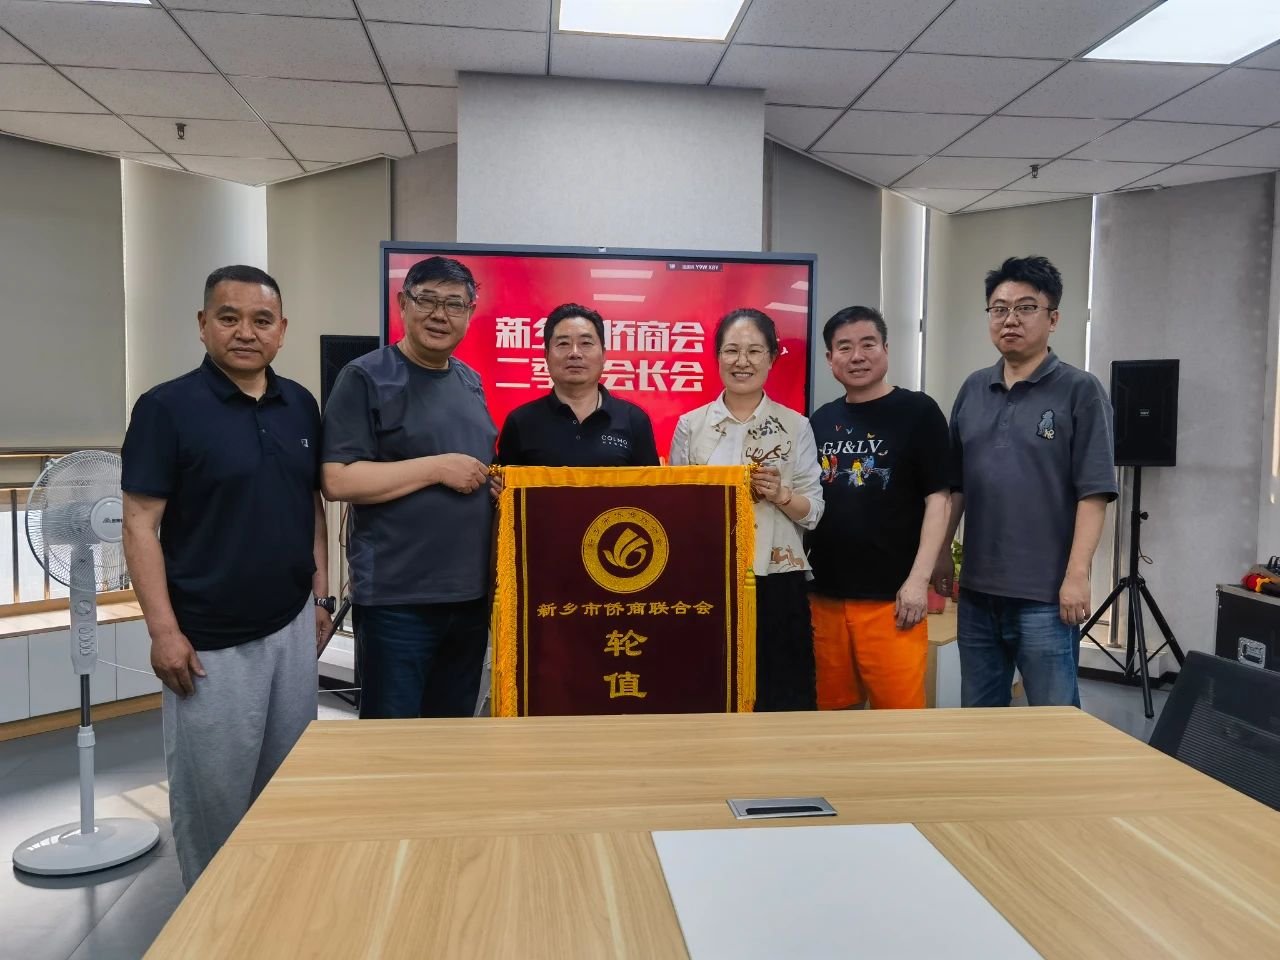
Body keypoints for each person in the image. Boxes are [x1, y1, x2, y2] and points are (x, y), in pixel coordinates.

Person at [121, 265, 331, 889]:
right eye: (229, 317)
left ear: (282, 330)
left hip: (292, 626)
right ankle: (211, 919)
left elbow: (311, 506)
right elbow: (139, 523)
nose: (246, 332)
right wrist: (163, 632)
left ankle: (274, 904)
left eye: (261, 320)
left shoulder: (301, 405)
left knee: (287, 783)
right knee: (215, 797)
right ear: (203, 324)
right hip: (208, 642)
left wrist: (321, 597)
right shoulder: (166, 408)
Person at [932, 255, 1116, 708]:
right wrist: (941, 553)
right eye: (999, 308)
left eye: (1026, 307)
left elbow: (1093, 493)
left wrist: (1077, 576)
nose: (1010, 319)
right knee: (979, 716)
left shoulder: (1080, 390)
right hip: (977, 593)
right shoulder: (973, 389)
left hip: (1046, 597)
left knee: (1054, 722)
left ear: (1053, 319)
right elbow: (956, 487)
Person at [321, 256, 496, 719]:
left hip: (469, 598)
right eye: (427, 300)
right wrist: (437, 468)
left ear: (470, 313)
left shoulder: (470, 381)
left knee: (451, 735)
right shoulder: (365, 377)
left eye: (454, 304)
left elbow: (472, 469)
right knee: (392, 741)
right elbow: (338, 478)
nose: (440, 315)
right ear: (403, 303)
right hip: (399, 601)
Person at [669, 308, 824, 711]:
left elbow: (814, 511)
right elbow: (675, 510)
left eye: (755, 351)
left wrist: (781, 494)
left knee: (780, 693)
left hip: (777, 578)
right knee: (706, 689)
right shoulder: (690, 425)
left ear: (772, 358)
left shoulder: (796, 425)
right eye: (732, 350)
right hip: (707, 578)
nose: (742, 361)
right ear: (717, 357)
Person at [807, 306, 950, 710]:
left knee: (899, 719)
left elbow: (939, 500)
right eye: (844, 347)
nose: (857, 356)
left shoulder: (919, 412)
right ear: (830, 358)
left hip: (892, 601)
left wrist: (917, 582)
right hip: (825, 598)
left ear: (886, 349)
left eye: (868, 344)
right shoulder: (820, 420)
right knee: (831, 713)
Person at [496, 303, 659, 467]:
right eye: (563, 344)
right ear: (547, 356)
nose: (575, 353)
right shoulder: (520, 421)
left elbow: (652, 483)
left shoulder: (634, 420)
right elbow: (504, 483)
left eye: (586, 343)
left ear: (603, 355)